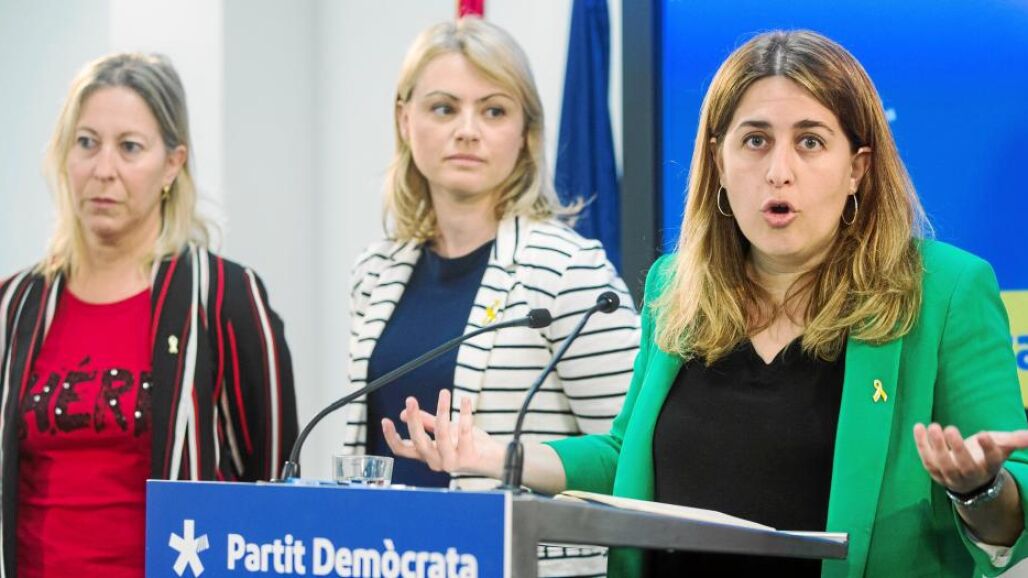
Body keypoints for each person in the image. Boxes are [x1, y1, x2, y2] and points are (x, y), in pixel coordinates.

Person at [382, 30, 1028, 577]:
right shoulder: (675, 288)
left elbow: (1013, 511)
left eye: (809, 141)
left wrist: (979, 489)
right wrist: (500, 456)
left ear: (857, 168)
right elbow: (625, 458)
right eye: (755, 140)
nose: (778, 170)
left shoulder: (944, 291)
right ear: (718, 160)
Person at [345, 18, 639, 577]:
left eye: (494, 111)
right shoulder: (374, 274)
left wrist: (506, 461)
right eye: (443, 108)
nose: (467, 131)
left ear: (526, 133)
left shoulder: (569, 270)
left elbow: (631, 458)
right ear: (405, 120)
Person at [0, 53, 298, 578]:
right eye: (86, 142)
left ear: (172, 164)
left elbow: (276, 492)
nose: (103, 169)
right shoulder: (15, 305)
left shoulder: (224, 297)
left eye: (130, 147)